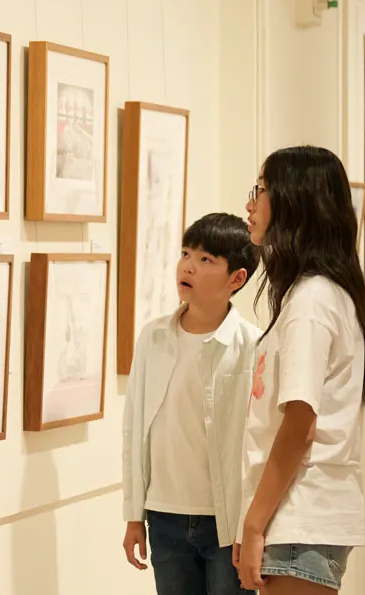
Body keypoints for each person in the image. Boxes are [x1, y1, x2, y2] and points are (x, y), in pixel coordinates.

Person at [235, 145, 365, 593]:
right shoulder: (320, 294)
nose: (249, 203)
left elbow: (299, 425)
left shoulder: (311, 302)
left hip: (300, 518)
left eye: (260, 190)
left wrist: (253, 523)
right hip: (300, 518)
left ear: (293, 201)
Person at [123, 213, 264, 595]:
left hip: (226, 520)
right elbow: (135, 429)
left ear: (236, 279)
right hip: (164, 515)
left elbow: (257, 444)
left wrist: (252, 527)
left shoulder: (252, 345)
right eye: (186, 253)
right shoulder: (153, 338)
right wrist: (134, 516)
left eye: (206, 260)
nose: (188, 266)